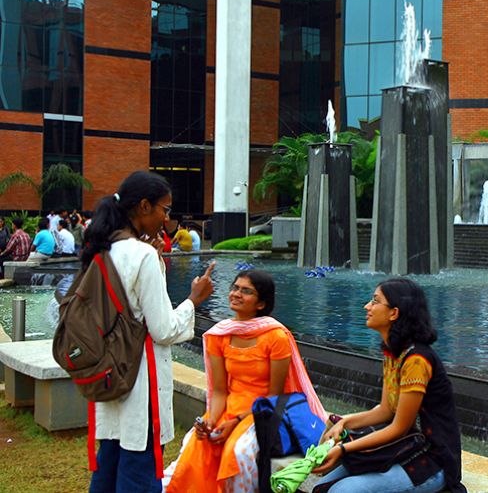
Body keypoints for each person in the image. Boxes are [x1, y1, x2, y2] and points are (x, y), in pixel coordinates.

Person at [85, 170, 215, 492]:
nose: (167, 218)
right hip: (141, 380)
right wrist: (193, 300)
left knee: (110, 464)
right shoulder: (143, 256)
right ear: (144, 206)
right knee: (139, 471)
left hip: (109, 372)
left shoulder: (102, 249)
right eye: (165, 209)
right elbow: (163, 329)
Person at [164, 270, 326, 492]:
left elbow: (274, 396)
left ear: (261, 304)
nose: (236, 294)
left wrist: (237, 421)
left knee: (240, 453)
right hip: (229, 406)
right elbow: (220, 391)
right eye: (235, 288)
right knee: (198, 442)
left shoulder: (275, 337)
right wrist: (210, 421)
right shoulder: (219, 335)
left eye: (246, 291)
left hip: (262, 412)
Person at [313, 278, 466, 493]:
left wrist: (343, 450)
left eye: (375, 301)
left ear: (394, 313)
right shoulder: (393, 353)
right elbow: (385, 411)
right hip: (403, 448)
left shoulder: (417, 360)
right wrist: (344, 422)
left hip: (431, 461)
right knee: (322, 487)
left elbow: (399, 427)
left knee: (343, 491)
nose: (367, 306)